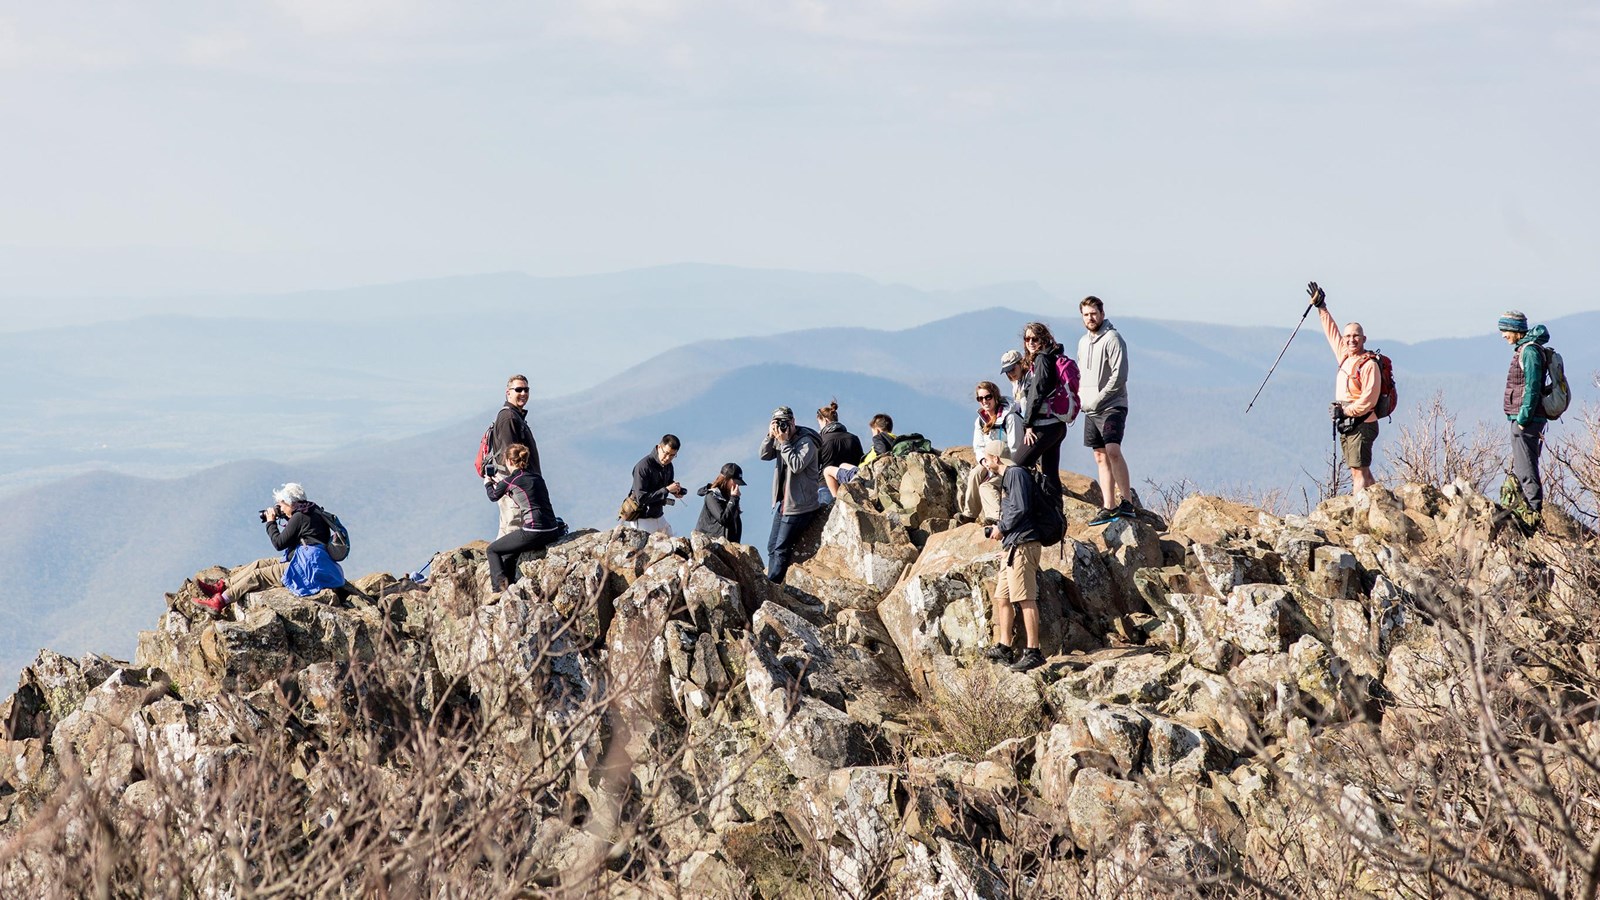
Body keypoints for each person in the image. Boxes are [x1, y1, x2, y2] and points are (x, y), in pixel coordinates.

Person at [192, 482, 346, 612]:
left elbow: (279, 543)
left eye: (281, 505)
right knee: (259, 564)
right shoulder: (312, 511)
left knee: (258, 575)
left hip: (306, 568)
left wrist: (271, 522)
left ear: (290, 503)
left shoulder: (299, 517)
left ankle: (220, 601)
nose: (280, 509)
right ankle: (222, 587)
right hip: (310, 560)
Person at [979, 440, 1046, 673]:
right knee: (1002, 597)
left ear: (996, 459)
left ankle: (1033, 651)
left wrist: (1001, 528)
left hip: (1024, 544)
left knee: (1026, 598)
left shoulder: (1016, 474)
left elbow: (1020, 508)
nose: (985, 463)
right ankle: (1004, 646)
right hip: (1014, 545)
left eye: (986, 459)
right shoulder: (1011, 476)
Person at [1310, 284, 1379, 494]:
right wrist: (1321, 307)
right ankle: (1386, 502)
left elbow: (1369, 400)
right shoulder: (1345, 356)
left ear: (1364, 339)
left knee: (1358, 471)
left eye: (1356, 336)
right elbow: (1332, 333)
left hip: (1362, 422)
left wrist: (1345, 411)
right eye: (1348, 336)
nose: (1351, 339)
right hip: (1348, 422)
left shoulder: (1369, 365)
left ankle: (1359, 512)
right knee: (1360, 470)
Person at [1077, 297, 1134, 524]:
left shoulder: (1113, 338)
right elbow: (1081, 374)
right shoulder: (1083, 342)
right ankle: (1108, 506)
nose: (1090, 318)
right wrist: (1080, 400)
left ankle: (1127, 502)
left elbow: (1119, 377)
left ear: (1101, 313)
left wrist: (1099, 399)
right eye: (1086, 314)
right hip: (1090, 407)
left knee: (1113, 450)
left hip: (1112, 404)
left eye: (1093, 313)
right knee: (1100, 455)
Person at [483, 443, 565, 592]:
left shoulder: (510, 481)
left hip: (534, 532)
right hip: (552, 529)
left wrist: (488, 483)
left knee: (492, 550)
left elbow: (493, 496)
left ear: (508, 461)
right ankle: (511, 585)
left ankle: (499, 589)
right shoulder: (537, 477)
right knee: (508, 554)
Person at [759, 406, 823, 583]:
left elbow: (796, 465)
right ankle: (771, 581)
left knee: (781, 549)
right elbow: (764, 455)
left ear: (793, 421)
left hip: (800, 506)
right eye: (778, 423)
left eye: (785, 422)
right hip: (784, 503)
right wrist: (770, 436)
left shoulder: (807, 442)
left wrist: (785, 442)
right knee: (772, 546)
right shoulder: (780, 437)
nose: (782, 426)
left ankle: (772, 585)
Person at [1500, 310, 1552, 526]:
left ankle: (1532, 518)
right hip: (1524, 419)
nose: (1503, 335)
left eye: (1505, 330)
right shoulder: (1526, 349)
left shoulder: (1529, 352)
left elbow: (1531, 387)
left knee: (1526, 468)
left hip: (1527, 421)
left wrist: (1522, 419)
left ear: (1516, 330)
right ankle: (1525, 512)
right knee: (1523, 467)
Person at [1013, 322, 1070, 503]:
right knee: (1050, 472)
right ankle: (1055, 517)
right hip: (1057, 425)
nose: (1030, 342)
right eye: (1027, 338)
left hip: (1044, 426)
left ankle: (1024, 509)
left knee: (1017, 466)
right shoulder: (1053, 356)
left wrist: (1027, 424)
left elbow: (1037, 394)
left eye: (1034, 339)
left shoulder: (1042, 360)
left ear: (1043, 339)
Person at [959, 380, 1019, 525]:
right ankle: (970, 514)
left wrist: (1000, 465)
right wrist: (983, 461)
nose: (984, 401)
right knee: (974, 474)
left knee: (987, 485)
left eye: (988, 397)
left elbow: (1015, 446)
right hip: (989, 460)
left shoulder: (1009, 417)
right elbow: (978, 445)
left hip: (1006, 462)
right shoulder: (980, 421)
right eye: (980, 398)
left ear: (995, 396)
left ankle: (994, 517)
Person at [491, 374, 541, 539]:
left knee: (508, 527)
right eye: (518, 389)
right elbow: (511, 456)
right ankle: (506, 563)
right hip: (514, 486)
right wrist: (523, 483)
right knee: (514, 528)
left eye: (526, 389)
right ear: (508, 392)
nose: (523, 393)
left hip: (512, 484)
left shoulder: (515, 416)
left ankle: (498, 563)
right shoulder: (509, 418)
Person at [627, 434, 687, 536]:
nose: (668, 458)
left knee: (674, 546)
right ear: (659, 447)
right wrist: (667, 490)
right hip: (641, 518)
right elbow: (640, 498)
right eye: (666, 453)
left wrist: (675, 490)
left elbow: (668, 483)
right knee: (646, 551)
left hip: (658, 515)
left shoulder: (669, 466)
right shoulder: (643, 467)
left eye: (672, 455)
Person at [828, 412, 894, 493]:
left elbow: (882, 456)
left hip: (866, 475)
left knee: (828, 471)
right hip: (862, 470)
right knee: (843, 465)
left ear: (877, 430)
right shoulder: (894, 440)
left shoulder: (879, 438)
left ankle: (835, 501)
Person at [815, 401, 865, 504]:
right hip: (849, 486)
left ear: (825, 420)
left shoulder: (820, 440)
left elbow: (813, 467)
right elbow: (860, 462)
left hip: (826, 486)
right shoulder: (853, 438)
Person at [695, 463, 747, 542]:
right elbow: (723, 519)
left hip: (728, 547)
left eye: (738, 483)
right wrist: (734, 498)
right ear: (726, 479)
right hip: (710, 545)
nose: (737, 485)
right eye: (735, 481)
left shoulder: (730, 500)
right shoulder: (712, 496)